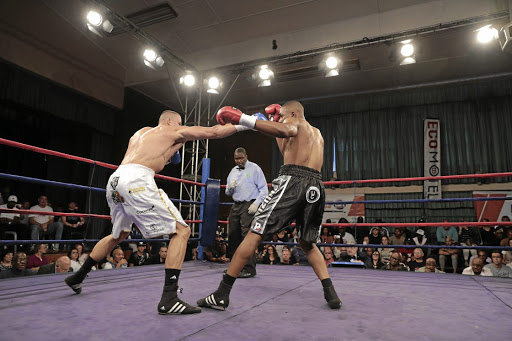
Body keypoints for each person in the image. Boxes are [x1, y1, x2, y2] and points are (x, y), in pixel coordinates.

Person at [64, 109, 239, 315]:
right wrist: (244, 123)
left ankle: (77, 276)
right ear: (170, 121)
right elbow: (214, 132)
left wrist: (178, 145)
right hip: (137, 180)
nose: (180, 127)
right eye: (179, 123)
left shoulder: (141, 134)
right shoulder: (171, 130)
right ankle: (169, 297)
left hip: (116, 180)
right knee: (181, 231)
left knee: (118, 234)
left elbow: (159, 161)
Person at [198, 101, 341, 310]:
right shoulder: (316, 133)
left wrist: (242, 119)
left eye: (282, 116)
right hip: (316, 186)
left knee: (254, 233)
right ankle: (331, 294)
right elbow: (285, 145)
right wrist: (274, 123)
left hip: (293, 181)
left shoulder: (295, 123)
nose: (281, 120)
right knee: (307, 242)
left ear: (293, 112)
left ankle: (221, 293)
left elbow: (287, 129)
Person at [225, 147, 268, 278]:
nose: (239, 161)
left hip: (249, 205)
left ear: (246, 156)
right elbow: (227, 192)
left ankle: (249, 268)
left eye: (241, 158)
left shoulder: (255, 169)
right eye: (237, 159)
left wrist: (256, 203)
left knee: (246, 236)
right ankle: (234, 268)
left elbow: (264, 190)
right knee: (233, 235)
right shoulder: (233, 171)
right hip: (236, 205)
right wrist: (230, 188)